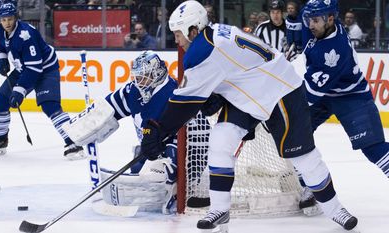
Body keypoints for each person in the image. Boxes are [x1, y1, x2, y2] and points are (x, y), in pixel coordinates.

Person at [139, 0, 358, 232]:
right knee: (221, 140)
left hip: (280, 89)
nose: (177, 41)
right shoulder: (214, 34)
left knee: (304, 158)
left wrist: (157, 129)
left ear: (193, 30)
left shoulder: (203, 50)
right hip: (246, 93)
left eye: (178, 34)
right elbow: (227, 72)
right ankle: (220, 209)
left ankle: (336, 210)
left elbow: (183, 104)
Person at [299, 0, 389, 215]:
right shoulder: (319, 26)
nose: (311, 24)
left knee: (374, 149)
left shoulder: (335, 50)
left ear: (330, 19)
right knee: (295, 137)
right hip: (326, 93)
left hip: (351, 97)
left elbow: (309, 94)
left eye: (316, 20)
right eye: (309, 19)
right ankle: (311, 187)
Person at [62, 51, 178, 214]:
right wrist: (84, 127)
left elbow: (186, 131)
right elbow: (108, 108)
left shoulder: (174, 93)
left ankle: (176, 188)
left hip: (172, 148)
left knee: (161, 171)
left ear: (157, 74)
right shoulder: (133, 91)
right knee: (138, 172)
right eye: (136, 77)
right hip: (148, 148)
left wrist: (171, 156)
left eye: (143, 77)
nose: (138, 82)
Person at [0, 2, 85, 160]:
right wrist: (1, 59)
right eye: (4, 19)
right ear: (0, 19)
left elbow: (34, 69)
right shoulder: (0, 31)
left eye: (10, 19)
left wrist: (19, 91)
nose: (7, 23)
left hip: (46, 69)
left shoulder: (26, 35)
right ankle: (0, 140)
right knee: (0, 101)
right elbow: (3, 49)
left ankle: (73, 142)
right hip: (24, 68)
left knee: (50, 105)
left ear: (16, 18)